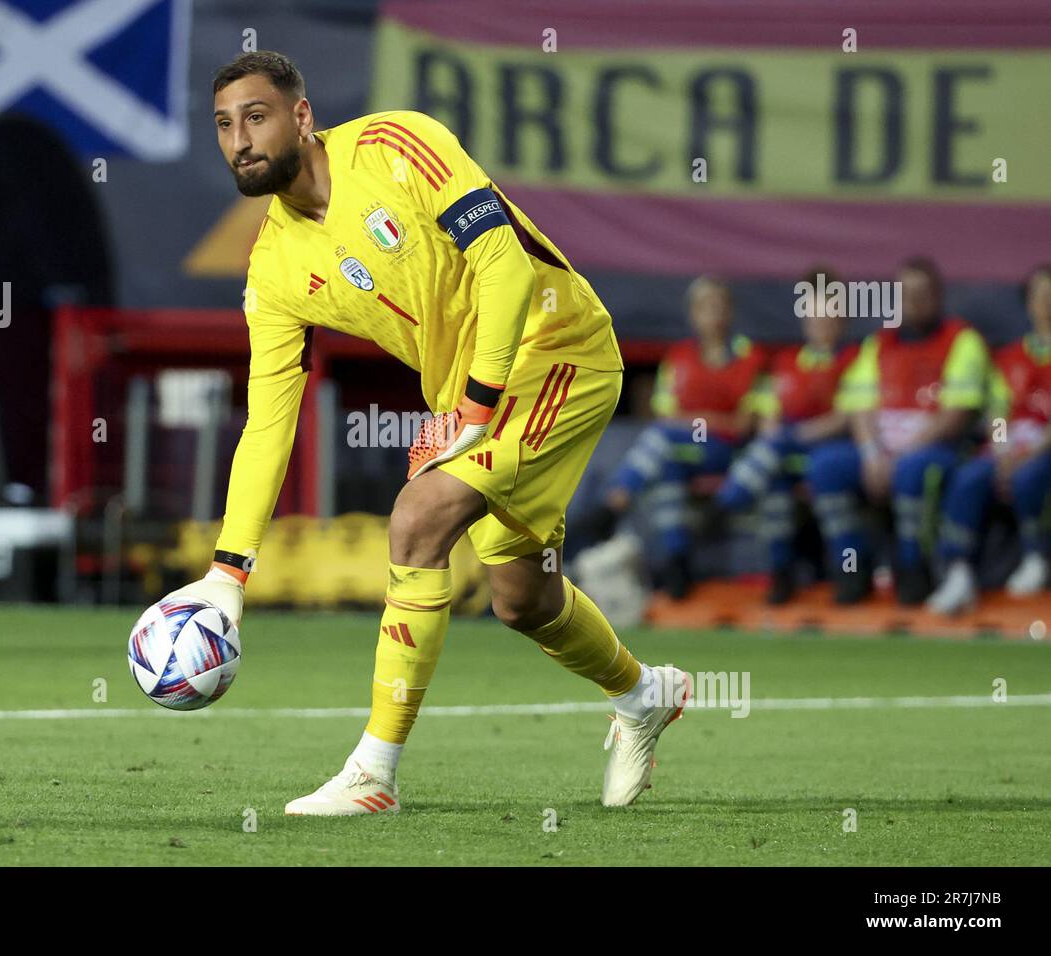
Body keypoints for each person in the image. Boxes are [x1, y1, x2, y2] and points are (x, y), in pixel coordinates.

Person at [169, 51, 689, 816]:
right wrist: (228, 573)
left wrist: (473, 410)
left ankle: (374, 771)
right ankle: (644, 694)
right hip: (472, 398)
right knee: (523, 600)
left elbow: (505, 266)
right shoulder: (275, 268)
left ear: (302, 116)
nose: (239, 140)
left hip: (558, 351)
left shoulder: (396, 146)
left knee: (417, 519)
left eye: (256, 116)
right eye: (223, 125)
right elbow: (269, 420)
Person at [810, 258, 991, 605]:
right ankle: (851, 569)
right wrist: (872, 453)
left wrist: (900, 456)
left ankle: (913, 570)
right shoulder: (880, 343)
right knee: (825, 466)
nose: (913, 303)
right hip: (881, 451)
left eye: (922, 295)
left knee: (912, 472)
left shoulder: (962, 340)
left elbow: (955, 414)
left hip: (934, 449)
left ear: (938, 296)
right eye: (905, 295)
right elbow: (860, 406)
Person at [598, 277, 767, 598]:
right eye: (705, 306)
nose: (713, 313)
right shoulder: (678, 357)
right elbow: (665, 415)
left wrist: (697, 422)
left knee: (660, 441)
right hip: (684, 452)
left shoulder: (750, 356)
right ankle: (678, 564)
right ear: (693, 314)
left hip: (727, 451)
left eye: (719, 305)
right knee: (666, 472)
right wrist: (709, 420)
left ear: (731, 311)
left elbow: (743, 425)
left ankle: (615, 499)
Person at [715, 273, 857, 604]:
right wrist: (777, 433)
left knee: (821, 471)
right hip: (788, 454)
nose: (820, 322)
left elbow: (848, 417)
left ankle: (850, 572)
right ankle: (781, 574)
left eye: (828, 315)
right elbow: (768, 413)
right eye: (814, 315)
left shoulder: (855, 359)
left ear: (843, 319)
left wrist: (794, 435)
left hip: (833, 451)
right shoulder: (786, 362)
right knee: (775, 483)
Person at [928, 264, 1051, 612]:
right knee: (968, 477)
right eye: (1040, 296)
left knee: (1031, 476)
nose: (1047, 304)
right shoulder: (1010, 357)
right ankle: (958, 571)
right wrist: (1000, 448)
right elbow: (998, 411)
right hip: (1010, 448)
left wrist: (1030, 453)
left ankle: (1036, 556)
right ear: (1028, 304)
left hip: (1043, 450)